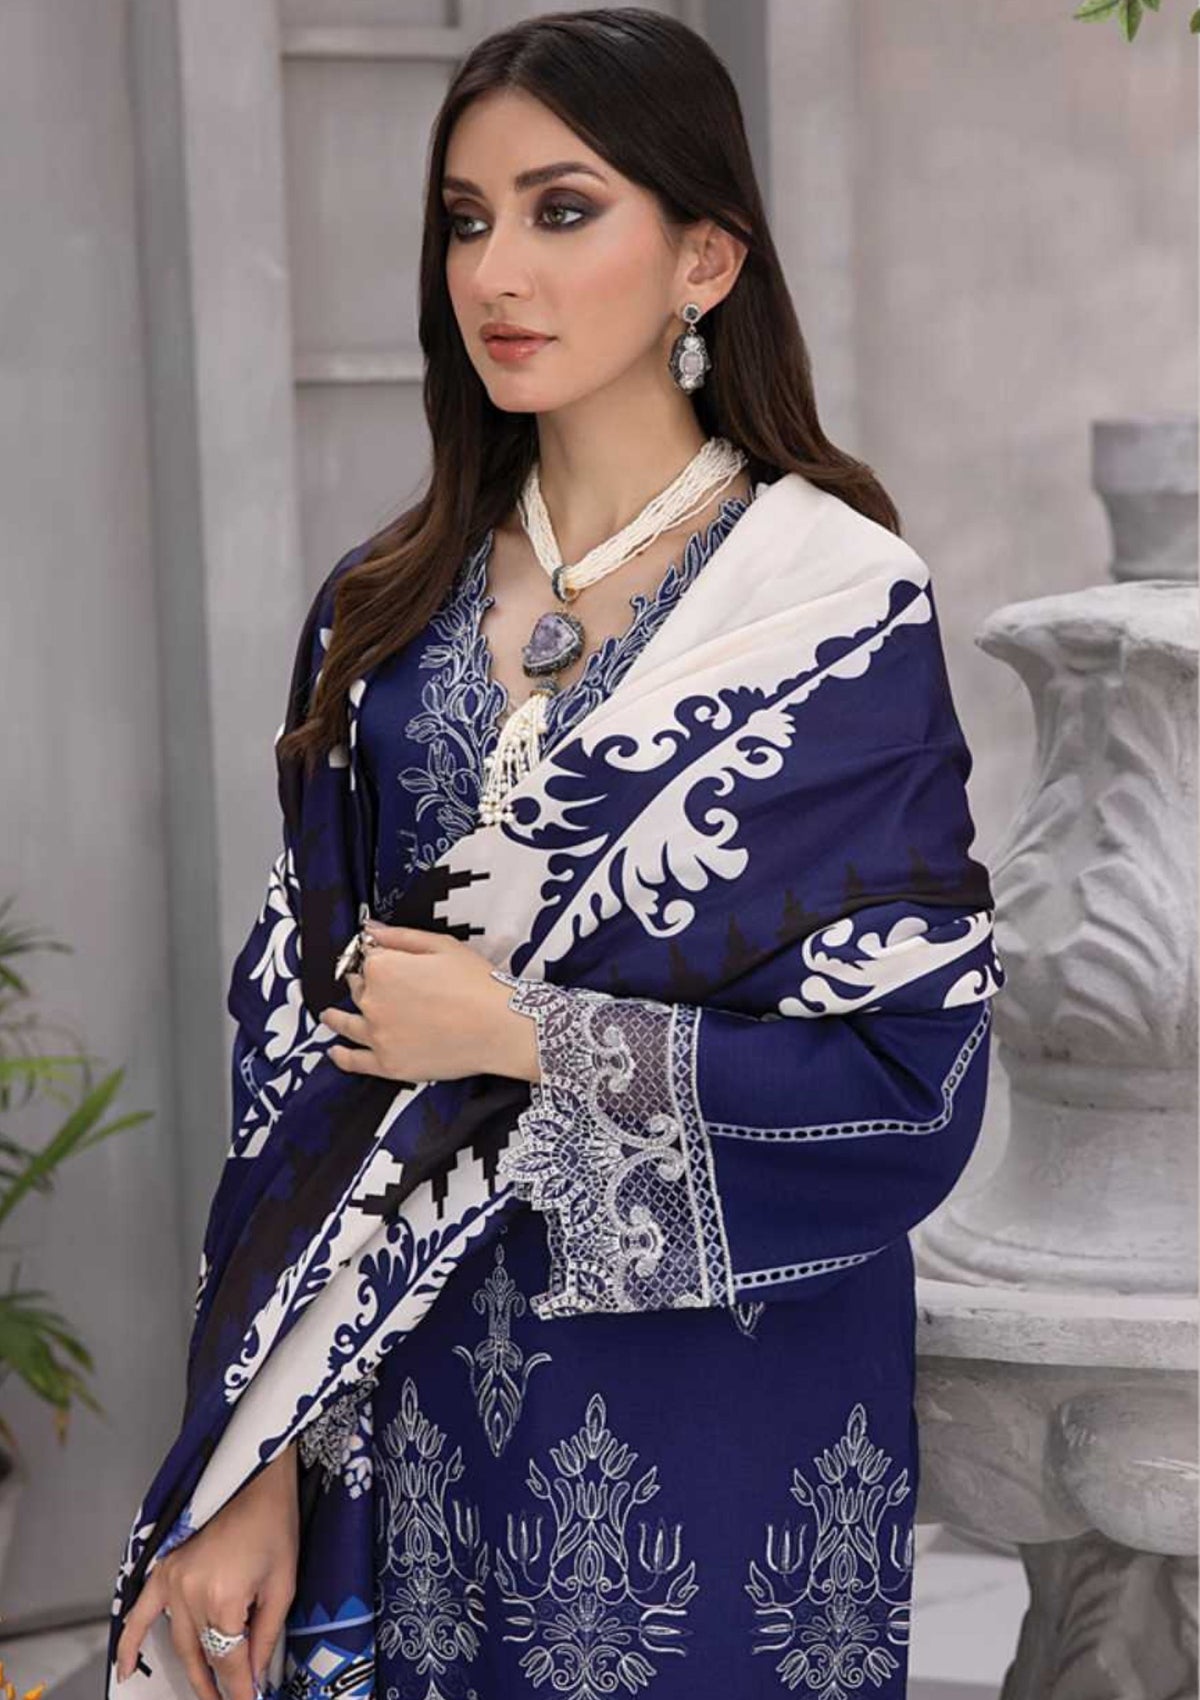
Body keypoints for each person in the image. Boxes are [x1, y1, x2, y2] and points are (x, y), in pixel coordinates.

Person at [107, 10, 1005, 1700]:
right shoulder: (381, 616)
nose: (496, 272)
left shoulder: (831, 611)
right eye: (467, 220)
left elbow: (914, 1076)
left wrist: (526, 1035)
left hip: (724, 1412)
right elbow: (288, 1070)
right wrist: (257, 1458)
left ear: (705, 259)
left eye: (562, 209)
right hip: (403, 1400)